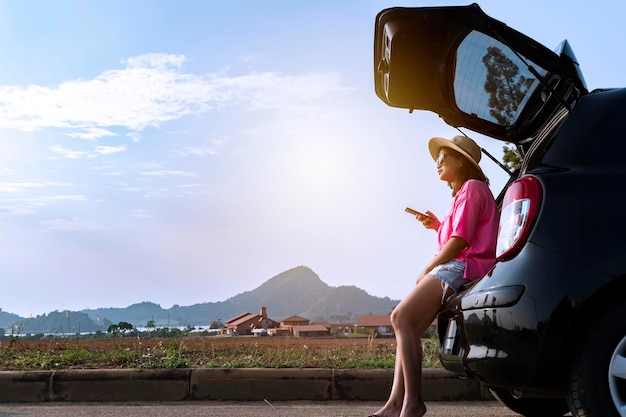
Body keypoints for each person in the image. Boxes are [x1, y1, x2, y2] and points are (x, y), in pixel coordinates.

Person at [370, 135, 499, 417]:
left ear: (461, 161)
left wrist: (428, 268)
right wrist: (435, 225)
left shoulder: (473, 188)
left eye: (443, 157)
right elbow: (455, 235)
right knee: (408, 327)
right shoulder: (467, 193)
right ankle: (395, 404)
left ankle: (412, 404)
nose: (437, 163)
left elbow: (460, 241)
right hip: (459, 266)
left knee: (400, 318)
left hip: (459, 268)